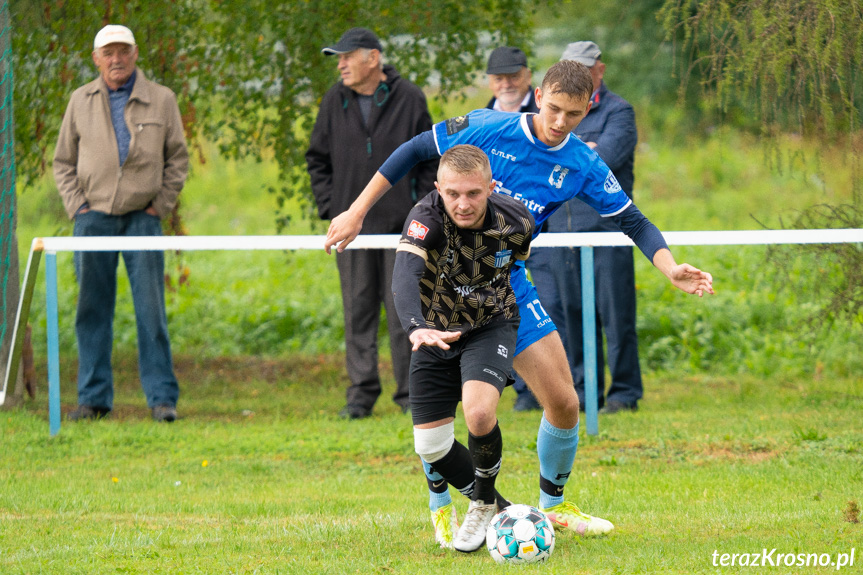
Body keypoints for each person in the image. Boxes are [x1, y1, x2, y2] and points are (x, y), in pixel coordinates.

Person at [325, 59, 714, 542]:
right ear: (537, 95)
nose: (559, 124)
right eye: (552, 109)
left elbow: (633, 221)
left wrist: (669, 266)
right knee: (439, 413)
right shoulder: (489, 127)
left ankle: (553, 507)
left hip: (505, 291)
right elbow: (412, 150)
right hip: (442, 291)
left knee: (565, 403)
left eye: (572, 115)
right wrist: (357, 211)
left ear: (588, 106)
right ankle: (441, 500)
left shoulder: (581, 163)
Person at [393, 145, 534, 551]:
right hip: (432, 333)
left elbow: (516, 262)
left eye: (473, 193)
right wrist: (416, 327)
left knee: (478, 411)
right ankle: (502, 509)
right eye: (452, 193)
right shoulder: (425, 218)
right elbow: (404, 276)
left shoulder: (517, 220)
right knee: (431, 447)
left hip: (490, 324)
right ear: (438, 188)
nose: (463, 203)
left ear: (491, 187)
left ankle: (484, 501)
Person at [53, 24, 188, 422]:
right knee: (91, 309)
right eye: (108, 53)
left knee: (151, 310)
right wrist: (78, 208)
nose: (116, 59)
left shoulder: (161, 99)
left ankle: (162, 400)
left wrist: (159, 207)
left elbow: (178, 159)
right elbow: (62, 162)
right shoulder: (80, 100)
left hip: (143, 220)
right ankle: (93, 400)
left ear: (135, 54)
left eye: (123, 51)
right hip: (91, 220)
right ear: (96, 58)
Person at [306, 27, 438, 419]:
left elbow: (431, 158)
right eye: (338, 58)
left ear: (373, 58)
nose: (341, 64)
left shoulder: (410, 97)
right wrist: (333, 208)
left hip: (402, 230)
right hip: (351, 232)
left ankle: (412, 395)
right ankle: (360, 396)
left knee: (404, 312)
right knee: (357, 311)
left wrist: (418, 209)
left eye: (348, 56)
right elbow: (317, 158)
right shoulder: (334, 100)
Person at [526, 41, 642, 413]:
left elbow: (599, 160)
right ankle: (585, 391)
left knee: (616, 314)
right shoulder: (555, 111)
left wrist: (571, 151)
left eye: (586, 67)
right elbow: (549, 160)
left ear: (600, 70)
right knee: (570, 315)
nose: (579, 74)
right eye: (570, 66)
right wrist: (579, 147)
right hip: (560, 231)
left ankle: (624, 393)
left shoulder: (619, 111)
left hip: (608, 231)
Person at [484, 46, 542, 412]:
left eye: (513, 75)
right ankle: (515, 391)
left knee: (547, 312)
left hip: (542, 237)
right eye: (498, 76)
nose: (506, 82)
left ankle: (546, 391)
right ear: (489, 80)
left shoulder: (544, 120)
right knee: (498, 312)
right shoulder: (478, 122)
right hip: (490, 244)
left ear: (528, 75)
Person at [485, 46, 538, 114]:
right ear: (490, 82)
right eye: (498, 79)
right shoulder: (481, 120)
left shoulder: (546, 115)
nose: (506, 85)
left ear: (528, 76)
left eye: (514, 77)